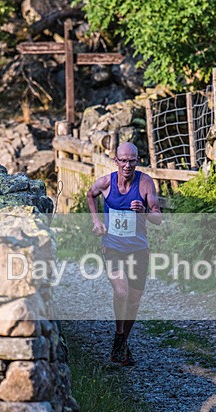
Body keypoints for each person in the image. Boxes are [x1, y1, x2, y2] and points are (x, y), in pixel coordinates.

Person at [87, 142, 162, 365]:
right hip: (113, 247)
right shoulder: (105, 182)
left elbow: (159, 218)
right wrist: (96, 221)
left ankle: (122, 344)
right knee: (122, 292)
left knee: (135, 300)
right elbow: (90, 195)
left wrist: (145, 211)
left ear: (137, 161)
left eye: (131, 160)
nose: (127, 165)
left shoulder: (145, 183)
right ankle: (120, 336)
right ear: (116, 161)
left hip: (139, 249)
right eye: (123, 160)